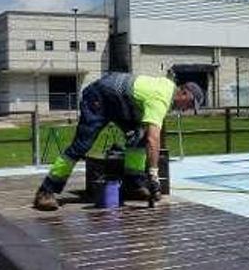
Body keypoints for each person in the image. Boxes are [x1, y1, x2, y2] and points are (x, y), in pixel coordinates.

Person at [33, 73, 199, 211]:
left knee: (138, 139)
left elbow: (147, 130)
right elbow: (153, 139)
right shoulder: (161, 98)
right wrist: (154, 174)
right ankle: (46, 191)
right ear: (183, 93)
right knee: (81, 146)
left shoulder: (168, 89)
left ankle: (134, 185)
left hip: (119, 102)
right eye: (190, 104)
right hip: (99, 96)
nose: (187, 109)